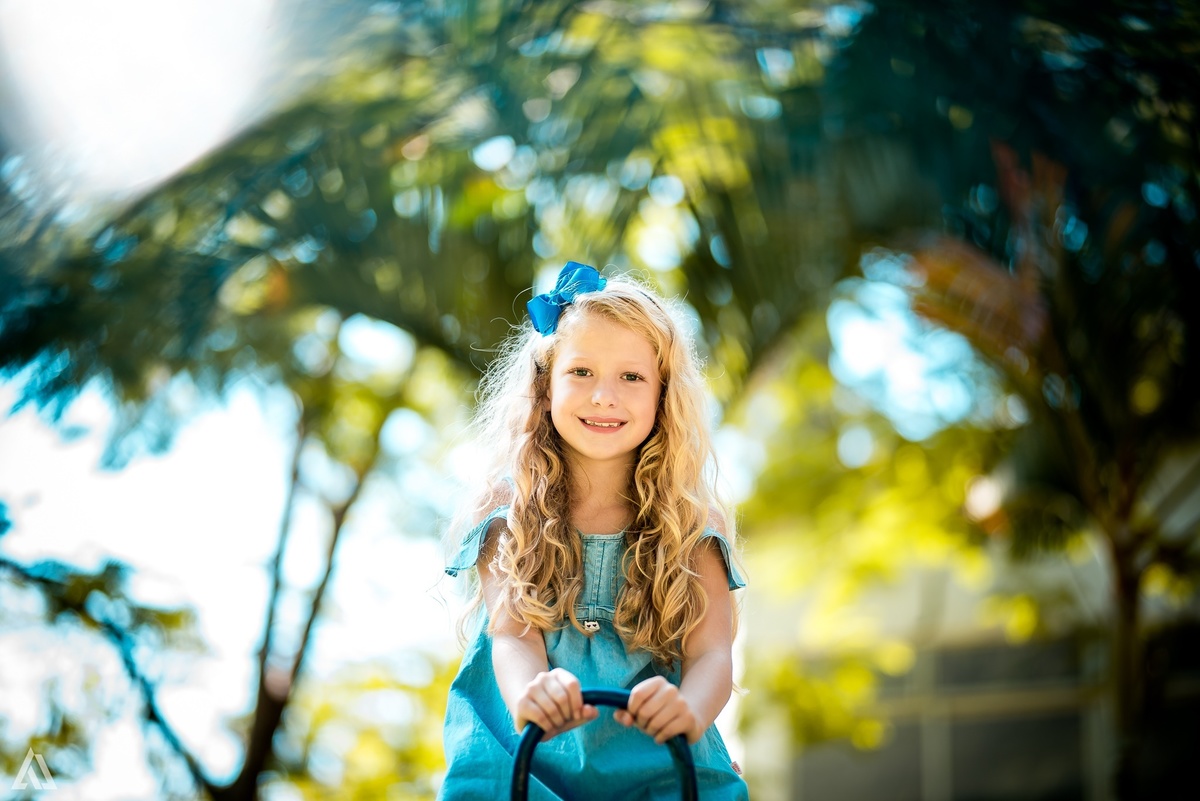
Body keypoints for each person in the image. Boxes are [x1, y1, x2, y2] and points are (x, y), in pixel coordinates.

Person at [439, 261, 748, 800]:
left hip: (655, 760)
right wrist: (532, 695)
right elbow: (513, 635)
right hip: (520, 757)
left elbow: (711, 654)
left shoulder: (692, 526)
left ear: (662, 393)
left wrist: (690, 713)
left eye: (631, 377)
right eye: (581, 372)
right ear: (545, 385)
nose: (604, 396)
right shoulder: (508, 512)